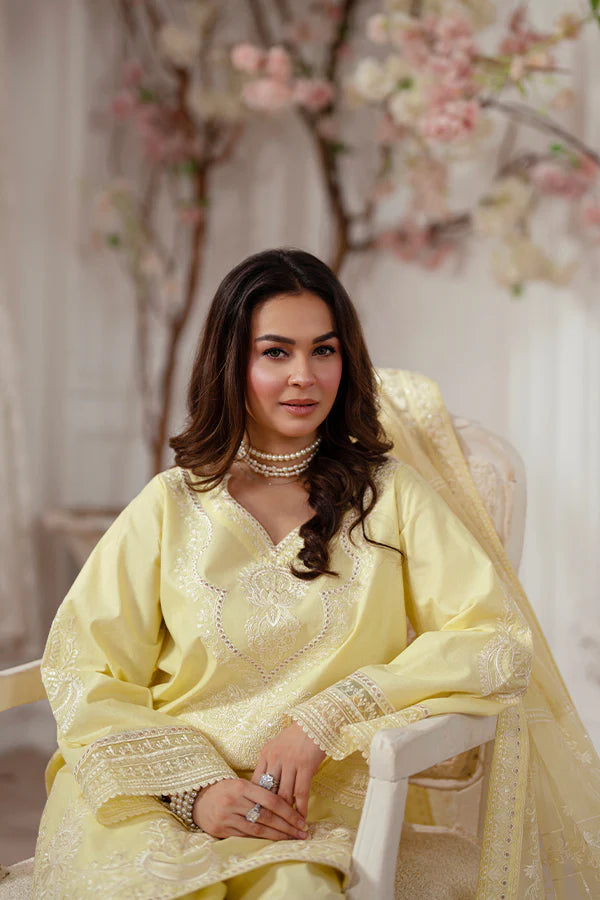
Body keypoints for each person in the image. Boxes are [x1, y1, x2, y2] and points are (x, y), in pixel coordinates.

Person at [32, 249, 599, 898]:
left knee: (297, 886)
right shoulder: (171, 504)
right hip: (152, 795)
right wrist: (197, 790)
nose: (304, 376)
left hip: (308, 813)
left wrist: (328, 716)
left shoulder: (389, 497)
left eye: (323, 350)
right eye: (276, 352)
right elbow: (85, 667)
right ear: (232, 363)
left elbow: (493, 639)